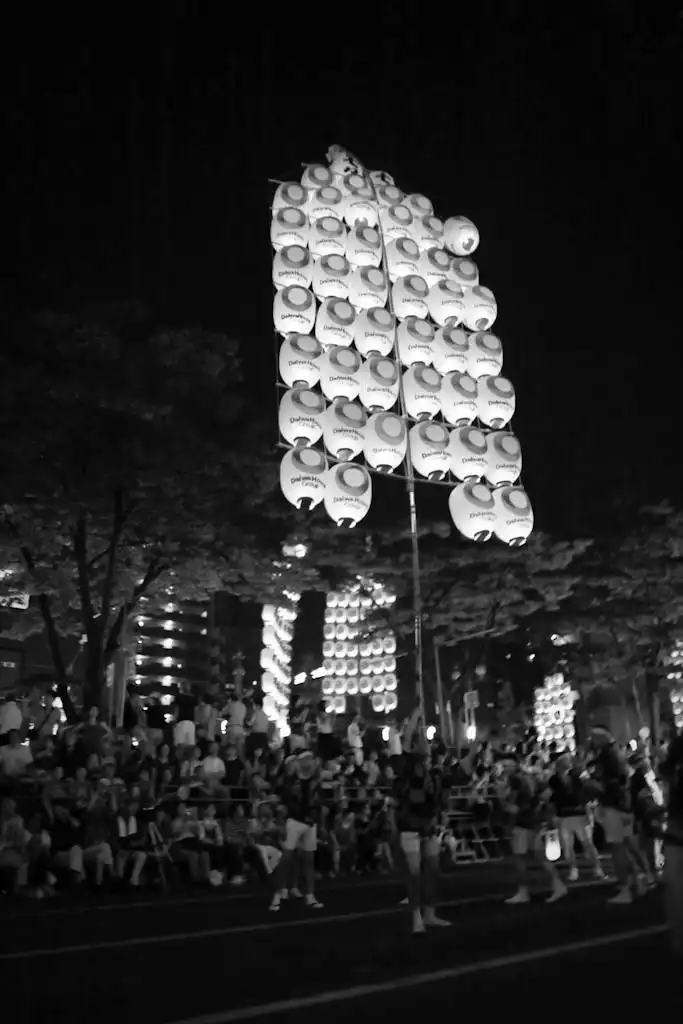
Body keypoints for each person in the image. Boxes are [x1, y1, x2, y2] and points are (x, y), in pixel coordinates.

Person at [394, 707, 451, 934]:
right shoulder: (407, 767)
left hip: (429, 825)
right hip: (410, 826)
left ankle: (430, 914)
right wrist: (416, 716)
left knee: (433, 871)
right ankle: (416, 917)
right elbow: (406, 738)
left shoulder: (434, 773)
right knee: (414, 873)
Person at [502, 753, 568, 905]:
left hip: (522, 823)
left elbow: (512, 806)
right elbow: (546, 794)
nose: (504, 768)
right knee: (539, 857)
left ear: (515, 764)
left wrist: (506, 805)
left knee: (520, 858)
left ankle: (523, 891)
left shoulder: (516, 780)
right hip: (534, 821)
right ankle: (558, 885)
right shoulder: (531, 776)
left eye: (507, 765)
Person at [589, 725, 639, 904]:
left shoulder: (605, 756)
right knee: (626, 844)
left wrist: (594, 786)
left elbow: (598, 780)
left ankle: (625, 887)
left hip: (613, 804)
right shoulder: (619, 753)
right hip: (625, 804)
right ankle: (637, 880)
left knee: (617, 847)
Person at [269, 750, 323, 912]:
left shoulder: (315, 780)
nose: (312, 762)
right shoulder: (289, 781)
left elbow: (318, 803)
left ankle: (310, 895)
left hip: (310, 823)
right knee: (286, 859)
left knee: (308, 861)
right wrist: (280, 823)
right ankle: (278, 894)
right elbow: (278, 801)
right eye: (309, 759)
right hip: (293, 821)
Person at [548, 752, 604, 882]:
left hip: (579, 813)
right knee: (568, 846)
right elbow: (551, 798)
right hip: (564, 815)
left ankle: (596, 867)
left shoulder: (578, 776)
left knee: (587, 844)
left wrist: (591, 804)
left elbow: (592, 788)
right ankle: (574, 869)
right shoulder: (554, 780)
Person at [660, 732, 683, 978]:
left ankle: (678, 942)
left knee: (676, 892)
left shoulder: (672, 767)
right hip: (677, 832)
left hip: (676, 834)